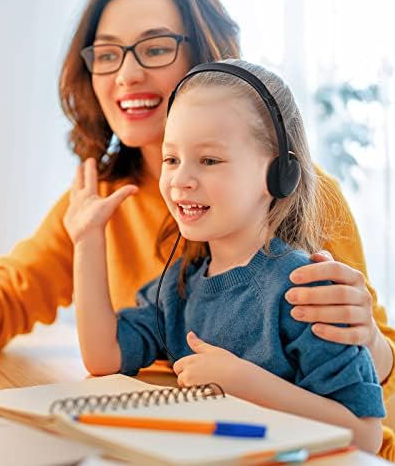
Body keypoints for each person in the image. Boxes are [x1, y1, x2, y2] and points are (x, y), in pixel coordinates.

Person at [0, 0, 394, 457]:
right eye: (108, 54)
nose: (128, 73)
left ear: (206, 61)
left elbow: (369, 398)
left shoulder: (304, 199)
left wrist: (369, 341)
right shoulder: (101, 201)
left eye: (156, 48)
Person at [63, 58, 385, 452]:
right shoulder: (180, 287)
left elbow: (365, 435)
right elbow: (103, 356)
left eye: (209, 160)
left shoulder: (307, 291)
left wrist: (248, 385)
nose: (181, 179)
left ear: (277, 174)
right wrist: (87, 240)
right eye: (171, 159)